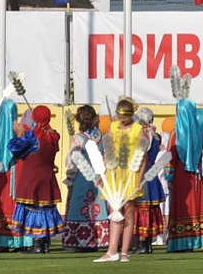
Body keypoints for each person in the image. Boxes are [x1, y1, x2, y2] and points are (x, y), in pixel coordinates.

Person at [94, 97, 149, 263]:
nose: (120, 119)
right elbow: (108, 151)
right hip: (114, 174)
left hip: (131, 174)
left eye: (123, 116)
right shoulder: (113, 126)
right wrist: (102, 174)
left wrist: (139, 178)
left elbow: (143, 156)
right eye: (119, 115)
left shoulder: (139, 129)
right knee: (115, 212)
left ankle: (124, 252)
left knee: (129, 212)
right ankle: (112, 251)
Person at [9, 105, 64, 254]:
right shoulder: (54, 135)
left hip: (32, 178)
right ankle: (45, 243)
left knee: (34, 209)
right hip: (47, 178)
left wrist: (19, 134)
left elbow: (14, 149)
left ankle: (38, 244)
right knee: (44, 209)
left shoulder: (32, 136)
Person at [0, 98, 33, 251]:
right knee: (14, 204)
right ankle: (17, 241)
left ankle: (1, 240)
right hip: (15, 171)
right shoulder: (21, 129)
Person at [166, 96, 203, 252]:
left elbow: (170, 159)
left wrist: (169, 177)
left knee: (182, 207)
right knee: (197, 207)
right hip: (196, 176)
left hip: (180, 176)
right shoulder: (201, 133)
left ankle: (181, 241)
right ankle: (199, 239)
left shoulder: (175, 134)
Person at [63, 105, 109, 251]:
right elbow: (106, 157)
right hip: (98, 176)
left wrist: (69, 177)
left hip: (82, 177)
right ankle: (97, 239)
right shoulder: (101, 136)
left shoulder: (78, 138)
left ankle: (79, 240)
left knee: (79, 206)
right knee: (97, 206)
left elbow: (72, 160)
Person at [132, 107, 166, 254]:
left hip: (143, 173)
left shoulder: (144, 135)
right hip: (152, 174)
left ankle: (143, 244)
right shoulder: (156, 135)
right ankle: (147, 244)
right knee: (149, 209)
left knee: (142, 208)